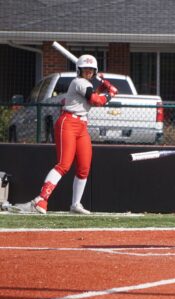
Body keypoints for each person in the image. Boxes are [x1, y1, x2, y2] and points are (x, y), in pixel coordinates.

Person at [19, 54, 117, 214]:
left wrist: (103, 90)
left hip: (82, 125)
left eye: (91, 70)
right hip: (68, 123)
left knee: (84, 167)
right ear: (79, 70)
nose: (88, 72)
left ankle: (75, 204)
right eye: (85, 69)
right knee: (64, 164)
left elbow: (91, 98)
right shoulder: (78, 82)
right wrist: (110, 94)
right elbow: (95, 100)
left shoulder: (86, 84)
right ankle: (41, 200)